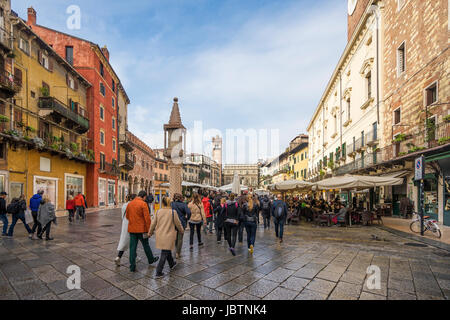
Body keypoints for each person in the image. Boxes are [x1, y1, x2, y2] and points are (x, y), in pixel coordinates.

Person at [149, 196, 184, 278]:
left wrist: (150, 232)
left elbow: (153, 223)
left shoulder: (158, 211)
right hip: (168, 235)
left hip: (160, 235)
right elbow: (178, 223)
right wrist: (181, 230)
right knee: (164, 253)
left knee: (166, 250)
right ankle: (158, 271)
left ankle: (171, 264)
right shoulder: (173, 212)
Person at [126, 190, 159, 272]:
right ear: (144, 196)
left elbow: (127, 216)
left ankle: (132, 266)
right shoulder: (143, 204)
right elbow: (147, 219)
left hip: (132, 229)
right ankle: (151, 259)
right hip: (142, 229)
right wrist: (149, 231)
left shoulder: (130, 204)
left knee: (132, 247)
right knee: (146, 245)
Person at [115, 194, 136, 266]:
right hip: (131, 224)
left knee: (124, 241)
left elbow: (122, 216)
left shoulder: (124, 205)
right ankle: (133, 258)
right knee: (132, 241)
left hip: (124, 224)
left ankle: (118, 257)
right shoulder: (132, 205)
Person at [171, 193, 191, 259]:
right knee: (180, 238)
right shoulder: (184, 205)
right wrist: (187, 218)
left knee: (175, 237)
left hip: (173, 222)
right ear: (181, 198)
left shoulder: (172, 204)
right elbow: (189, 212)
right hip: (182, 222)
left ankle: (176, 249)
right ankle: (178, 253)